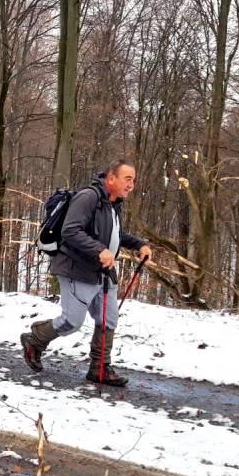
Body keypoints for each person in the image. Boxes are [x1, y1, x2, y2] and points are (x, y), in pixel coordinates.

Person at [20, 159, 153, 387]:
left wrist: (139, 244)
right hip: (77, 269)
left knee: (108, 319)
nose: (131, 185)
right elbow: (70, 231)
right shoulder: (88, 197)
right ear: (111, 179)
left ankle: (99, 368)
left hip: (103, 272)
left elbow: (113, 235)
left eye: (134, 180)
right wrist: (99, 250)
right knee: (72, 322)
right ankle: (35, 339)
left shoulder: (113, 204)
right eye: (127, 179)